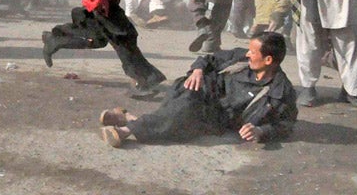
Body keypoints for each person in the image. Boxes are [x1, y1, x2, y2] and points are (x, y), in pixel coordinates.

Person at [99, 32, 296, 147]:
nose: (247, 54)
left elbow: (285, 125)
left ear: (268, 60)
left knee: (181, 119)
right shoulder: (240, 58)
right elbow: (209, 58)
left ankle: (129, 123)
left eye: (253, 52)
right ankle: (128, 126)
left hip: (218, 118)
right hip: (202, 92)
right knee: (185, 102)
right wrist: (198, 70)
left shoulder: (280, 92)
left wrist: (261, 130)